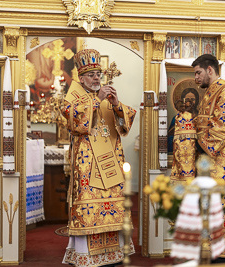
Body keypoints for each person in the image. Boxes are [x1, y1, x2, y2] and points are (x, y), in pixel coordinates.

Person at [62, 48, 137, 267]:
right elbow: (75, 121)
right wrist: (96, 102)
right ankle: (87, 256)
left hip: (111, 163)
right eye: (92, 74)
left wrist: (116, 105)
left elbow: (125, 125)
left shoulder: (107, 96)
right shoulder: (72, 98)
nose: (96, 78)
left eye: (98, 74)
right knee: (89, 207)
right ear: (81, 77)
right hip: (89, 166)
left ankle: (113, 255)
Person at [192, 54, 225, 259]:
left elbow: (220, 129)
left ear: (210, 70)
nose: (196, 78)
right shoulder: (209, 94)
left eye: (198, 73)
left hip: (224, 166)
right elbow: (203, 123)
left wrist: (196, 140)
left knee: (224, 208)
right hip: (210, 165)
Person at [169, 95, 197, 183]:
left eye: (192, 100)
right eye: (185, 101)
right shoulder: (177, 118)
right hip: (180, 152)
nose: (186, 104)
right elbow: (170, 136)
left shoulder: (195, 117)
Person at [168, 87, 199, 154]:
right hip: (181, 152)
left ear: (196, 101)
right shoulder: (177, 118)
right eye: (187, 99)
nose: (189, 102)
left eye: (193, 99)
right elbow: (170, 138)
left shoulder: (199, 117)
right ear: (183, 101)